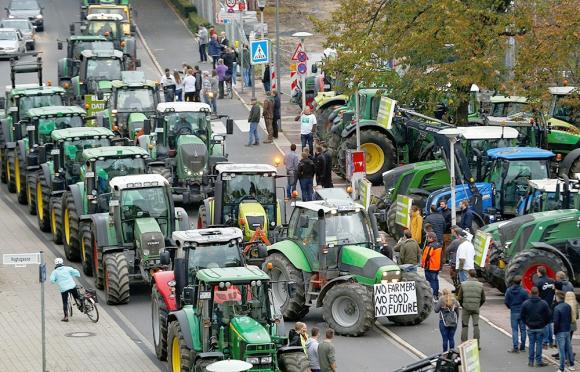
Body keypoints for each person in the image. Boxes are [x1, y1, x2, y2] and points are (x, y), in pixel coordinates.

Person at [521, 287, 551, 367]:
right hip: (540, 327)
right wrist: (544, 323)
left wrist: (527, 323)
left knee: (531, 344)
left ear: (530, 293)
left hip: (530, 327)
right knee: (539, 344)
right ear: (538, 293)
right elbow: (548, 316)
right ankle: (538, 361)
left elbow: (522, 316)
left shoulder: (526, 303)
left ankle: (530, 361)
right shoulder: (543, 303)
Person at [457, 269, 485, 347]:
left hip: (466, 307)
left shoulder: (463, 284)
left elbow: (459, 298)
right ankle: (477, 345)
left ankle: (464, 344)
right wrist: (478, 305)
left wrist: (463, 305)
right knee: (476, 325)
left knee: (465, 325)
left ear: (468, 275)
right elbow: (483, 299)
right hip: (476, 307)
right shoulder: (480, 285)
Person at [50, 257, 83, 322]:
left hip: (64, 289)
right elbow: (76, 272)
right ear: (62, 262)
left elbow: (52, 280)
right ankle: (82, 305)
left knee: (65, 302)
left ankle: (66, 317)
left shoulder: (55, 272)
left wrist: (55, 280)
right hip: (72, 286)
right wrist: (75, 274)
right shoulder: (68, 268)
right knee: (77, 296)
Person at [504, 275, 529, 353]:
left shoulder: (509, 291)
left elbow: (506, 302)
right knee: (523, 330)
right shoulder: (524, 291)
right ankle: (522, 346)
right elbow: (527, 302)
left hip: (514, 311)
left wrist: (510, 307)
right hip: (522, 312)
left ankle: (515, 347)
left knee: (514, 330)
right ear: (520, 282)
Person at [554, 291, 575, 372]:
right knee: (569, 348)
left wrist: (555, 332)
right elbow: (570, 318)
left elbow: (556, 322)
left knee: (561, 350)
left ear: (557, 297)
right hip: (567, 329)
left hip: (560, 331)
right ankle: (572, 365)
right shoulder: (568, 306)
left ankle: (561, 368)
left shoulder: (557, 308)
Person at [535, 266, 556, 348]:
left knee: (545, 324)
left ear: (539, 272)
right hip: (551, 304)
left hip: (542, 305)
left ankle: (545, 342)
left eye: (537, 271)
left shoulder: (538, 282)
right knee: (549, 323)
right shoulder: (552, 281)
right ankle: (551, 341)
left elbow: (536, 294)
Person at [422, 232, 443, 300]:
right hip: (436, 267)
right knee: (435, 280)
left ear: (431, 238)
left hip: (430, 267)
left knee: (429, 281)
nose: (427, 239)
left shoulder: (431, 246)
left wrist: (423, 265)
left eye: (427, 238)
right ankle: (435, 294)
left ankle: (431, 295)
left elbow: (427, 257)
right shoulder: (439, 245)